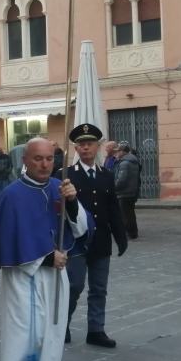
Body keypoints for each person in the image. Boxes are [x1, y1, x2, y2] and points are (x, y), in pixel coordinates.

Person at [0, 138, 90, 361]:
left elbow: (80, 228)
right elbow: (10, 239)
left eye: (50, 159)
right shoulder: (12, 194)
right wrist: (45, 258)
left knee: (53, 334)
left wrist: (71, 201)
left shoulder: (61, 188)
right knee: (24, 334)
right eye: (38, 159)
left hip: (55, 276)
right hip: (24, 277)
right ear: (25, 160)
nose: (45, 164)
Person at [64, 123, 127, 349]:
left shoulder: (106, 175)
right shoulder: (67, 175)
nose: (85, 148)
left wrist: (121, 235)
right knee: (74, 285)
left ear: (98, 146)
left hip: (101, 241)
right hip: (77, 243)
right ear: (76, 149)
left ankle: (96, 330)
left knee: (99, 288)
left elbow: (113, 208)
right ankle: (63, 324)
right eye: (81, 144)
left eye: (90, 143)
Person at [114, 142, 141, 240]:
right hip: (131, 192)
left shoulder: (125, 163)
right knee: (130, 213)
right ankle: (133, 232)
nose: (116, 153)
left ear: (122, 152)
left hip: (124, 193)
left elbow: (121, 179)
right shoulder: (133, 161)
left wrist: (114, 187)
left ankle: (130, 233)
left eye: (118, 151)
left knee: (125, 214)